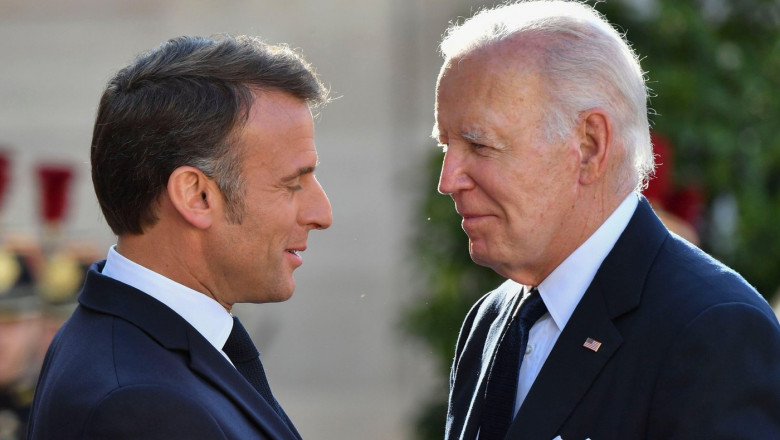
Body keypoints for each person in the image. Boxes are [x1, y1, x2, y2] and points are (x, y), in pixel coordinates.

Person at [432, 1, 780, 439]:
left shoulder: (712, 328)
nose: (449, 180)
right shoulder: (492, 319)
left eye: (480, 145)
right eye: (447, 146)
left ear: (590, 145)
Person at [27, 34, 332, 440]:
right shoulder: (140, 406)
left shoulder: (133, 349)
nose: (322, 214)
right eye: (292, 183)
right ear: (197, 195)